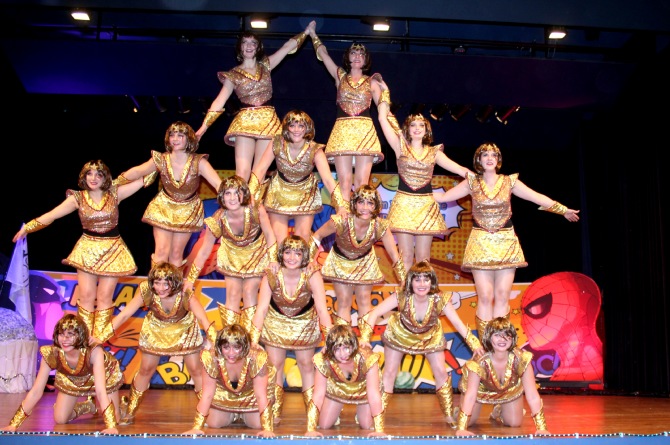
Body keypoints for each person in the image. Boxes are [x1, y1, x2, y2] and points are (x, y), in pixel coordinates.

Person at [433, 142, 579, 338]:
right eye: (485, 155)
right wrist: (414, 191)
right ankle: (486, 344)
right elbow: (443, 197)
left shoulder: (510, 182)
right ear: (478, 160)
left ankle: (500, 340)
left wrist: (563, 210)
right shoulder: (471, 182)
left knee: (502, 295)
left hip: (506, 242)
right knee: (485, 296)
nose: (490, 158)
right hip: (480, 243)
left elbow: (536, 197)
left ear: (498, 160)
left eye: (494, 155)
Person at [12, 160, 143, 342]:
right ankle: (84, 342)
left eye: (99, 174)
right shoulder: (77, 198)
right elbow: (52, 215)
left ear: (105, 177)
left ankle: (97, 342)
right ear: (84, 176)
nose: (93, 178)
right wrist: (28, 228)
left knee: (105, 298)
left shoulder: (115, 194)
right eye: (90, 174)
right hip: (87, 250)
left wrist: (165, 163)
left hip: (113, 250)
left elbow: (143, 179)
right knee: (87, 296)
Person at [359, 261, 484, 426]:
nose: (422, 284)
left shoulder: (440, 299)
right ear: (410, 281)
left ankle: (448, 415)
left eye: (426, 279)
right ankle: (378, 416)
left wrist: (474, 344)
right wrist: (365, 337)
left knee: (441, 372)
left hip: (430, 336)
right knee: (389, 373)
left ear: (432, 282)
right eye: (417, 279)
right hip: (400, 334)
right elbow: (374, 313)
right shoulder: (401, 295)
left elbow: (457, 323)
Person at [93, 262, 213, 425]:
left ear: (175, 282)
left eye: (166, 283)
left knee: (196, 370)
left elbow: (203, 319)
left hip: (184, 329)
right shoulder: (146, 291)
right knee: (146, 369)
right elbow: (124, 315)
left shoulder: (185, 292)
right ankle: (130, 410)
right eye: (157, 282)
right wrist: (101, 337)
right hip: (155, 329)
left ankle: (205, 413)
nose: (161, 288)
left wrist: (213, 337)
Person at [196, 21, 316, 182]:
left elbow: (287, 48)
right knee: (242, 173)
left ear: (258, 47)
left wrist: (306, 33)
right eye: (245, 42)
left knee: (259, 172)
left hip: (268, 121)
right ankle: (240, 199)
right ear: (240, 47)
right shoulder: (233, 75)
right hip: (245, 121)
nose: (249, 46)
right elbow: (219, 101)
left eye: (253, 42)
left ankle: (255, 199)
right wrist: (203, 129)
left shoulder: (265, 65)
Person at [377, 84, 471, 271]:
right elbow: (382, 118)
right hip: (404, 204)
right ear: (407, 129)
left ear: (427, 130)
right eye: (413, 125)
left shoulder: (434, 152)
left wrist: (481, 179)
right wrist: (384, 94)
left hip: (426, 206)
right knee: (405, 256)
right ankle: (405, 289)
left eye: (421, 125)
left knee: (423, 258)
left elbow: (459, 169)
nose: (417, 128)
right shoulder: (399, 146)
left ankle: (423, 290)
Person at [250, 235, 334, 424]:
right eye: (288, 252)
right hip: (276, 321)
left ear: (304, 256)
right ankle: (274, 412)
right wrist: (253, 341)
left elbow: (322, 309)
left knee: (306, 365)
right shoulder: (271, 274)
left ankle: (313, 412)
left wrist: (330, 340)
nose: (292, 257)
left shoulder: (312, 274)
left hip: (304, 323)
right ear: (281, 254)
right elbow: (261, 309)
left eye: (297, 253)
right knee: (275, 365)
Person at [116, 121, 222, 269]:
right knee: (161, 251)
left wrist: (233, 200)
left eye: (180, 135)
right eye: (172, 135)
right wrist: (115, 183)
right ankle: (156, 283)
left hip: (187, 210)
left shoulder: (199, 162)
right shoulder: (161, 159)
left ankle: (174, 284)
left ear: (189, 138)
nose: (175, 139)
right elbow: (138, 171)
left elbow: (218, 184)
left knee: (176, 254)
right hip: (164, 206)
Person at [1, 314, 122, 434]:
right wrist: (14, 424)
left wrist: (111, 426)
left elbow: (100, 391)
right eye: (61, 334)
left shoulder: (94, 351)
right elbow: (36, 392)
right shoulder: (51, 354)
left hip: (103, 377)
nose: (65, 339)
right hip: (72, 379)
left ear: (80, 335)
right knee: (60, 419)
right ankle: (88, 406)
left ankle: (122, 409)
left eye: (70, 334)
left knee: (115, 419)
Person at [308, 27, 385, 203]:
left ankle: (360, 216)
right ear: (347, 57)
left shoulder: (372, 82)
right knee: (344, 182)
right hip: (342, 132)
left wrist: (386, 92)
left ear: (366, 59)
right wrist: (313, 35)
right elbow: (324, 55)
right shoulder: (340, 77)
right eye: (353, 53)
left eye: (361, 54)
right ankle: (344, 218)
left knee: (361, 183)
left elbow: (384, 111)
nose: (357, 56)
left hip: (365, 132)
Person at [310, 184, 405, 323]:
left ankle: (365, 336)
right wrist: (308, 260)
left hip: (365, 262)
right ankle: (344, 337)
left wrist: (403, 278)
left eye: (370, 203)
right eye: (361, 202)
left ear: (376, 206)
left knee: (364, 300)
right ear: (354, 204)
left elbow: (394, 254)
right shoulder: (341, 221)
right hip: (340, 261)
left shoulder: (381, 226)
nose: (365, 207)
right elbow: (317, 235)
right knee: (344, 301)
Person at [184, 175, 279, 312]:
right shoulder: (217, 220)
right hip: (231, 255)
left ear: (244, 194)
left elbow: (269, 235)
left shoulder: (256, 210)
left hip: (256, 253)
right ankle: (231, 327)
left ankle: (251, 327)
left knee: (249, 291)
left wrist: (273, 259)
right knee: (233, 294)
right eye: (228, 193)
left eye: (237, 193)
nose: (233, 198)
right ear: (222, 196)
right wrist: (190, 279)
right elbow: (204, 252)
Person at [251, 109, 341, 244]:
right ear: (286, 128)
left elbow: (328, 180)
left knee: (302, 240)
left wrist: (341, 205)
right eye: (292, 125)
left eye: (301, 126)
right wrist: (249, 194)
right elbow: (260, 169)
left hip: (305, 194)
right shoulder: (276, 143)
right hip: (279, 191)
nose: (296, 130)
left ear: (307, 128)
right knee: (279, 241)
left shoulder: (315, 150)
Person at [455, 317, 551, 436]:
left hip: (508, 390)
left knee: (514, 423)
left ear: (512, 338)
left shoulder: (521, 359)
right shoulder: (479, 361)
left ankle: (499, 410)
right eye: (497, 335)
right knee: (469, 422)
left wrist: (542, 427)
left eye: (507, 335)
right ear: (488, 337)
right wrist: (461, 428)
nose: (502, 339)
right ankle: (458, 411)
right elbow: (471, 395)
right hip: (479, 392)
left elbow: (532, 395)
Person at [181, 323, 276, 437]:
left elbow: (261, 395)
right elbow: (207, 394)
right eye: (226, 347)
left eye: (236, 347)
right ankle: (232, 413)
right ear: (219, 346)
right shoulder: (211, 359)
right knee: (214, 423)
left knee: (257, 424)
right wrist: (196, 427)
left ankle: (244, 414)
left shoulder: (257, 359)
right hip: (224, 394)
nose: (231, 353)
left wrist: (267, 429)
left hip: (251, 395)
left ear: (244, 346)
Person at [303, 324, 386, 437]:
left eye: (346, 348)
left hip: (363, 389)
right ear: (330, 349)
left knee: (367, 425)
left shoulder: (367, 358)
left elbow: (374, 394)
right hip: (338, 388)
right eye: (337, 349)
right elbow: (318, 395)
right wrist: (311, 429)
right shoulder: (324, 360)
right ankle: (337, 408)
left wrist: (379, 430)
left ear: (353, 346)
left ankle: (361, 413)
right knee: (324, 425)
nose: (342, 354)